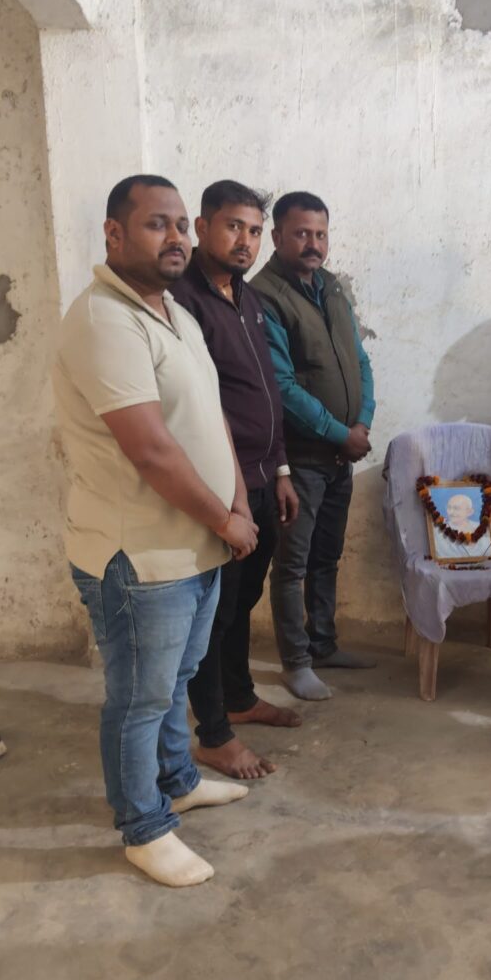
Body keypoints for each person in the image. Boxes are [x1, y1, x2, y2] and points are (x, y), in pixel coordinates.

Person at [53, 175, 257, 887]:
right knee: (140, 699)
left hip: (192, 545)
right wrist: (225, 518)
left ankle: (178, 781)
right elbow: (151, 450)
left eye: (181, 225)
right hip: (138, 555)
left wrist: (239, 502)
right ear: (114, 234)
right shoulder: (104, 321)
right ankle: (143, 827)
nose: (176, 238)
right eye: (155, 224)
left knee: (176, 680)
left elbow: (211, 414)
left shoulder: (172, 312)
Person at [170, 180, 303, 782]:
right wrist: (228, 499)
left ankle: (240, 697)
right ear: (202, 227)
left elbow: (266, 391)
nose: (245, 240)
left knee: (242, 601)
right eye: (232, 227)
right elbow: (196, 407)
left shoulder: (247, 297)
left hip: (263, 477)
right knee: (214, 613)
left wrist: (281, 469)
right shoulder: (182, 301)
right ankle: (213, 735)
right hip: (223, 486)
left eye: (253, 230)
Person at [251, 191, 377, 701]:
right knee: (292, 565)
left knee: (327, 556)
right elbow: (280, 386)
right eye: (301, 233)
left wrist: (362, 422)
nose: (313, 244)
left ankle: (324, 644)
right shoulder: (264, 296)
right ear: (277, 236)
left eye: (320, 234)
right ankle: (296, 661)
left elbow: (360, 360)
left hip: (340, 456)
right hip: (300, 460)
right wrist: (340, 433)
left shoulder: (331, 287)